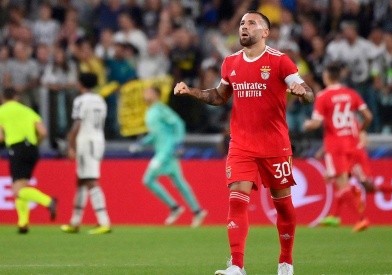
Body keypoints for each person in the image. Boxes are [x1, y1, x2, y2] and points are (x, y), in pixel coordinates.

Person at [174, 11, 314, 275]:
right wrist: (191, 91)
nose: (244, 27)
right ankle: (237, 266)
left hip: (275, 145)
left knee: (282, 205)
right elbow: (219, 96)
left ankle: (285, 262)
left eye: (251, 23)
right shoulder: (230, 63)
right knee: (237, 199)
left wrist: (302, 92)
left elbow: (307, 92)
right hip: (241, 144)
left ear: (265, 32)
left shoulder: (280, 61)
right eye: (241, 23)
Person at [303, 62, 372, 232]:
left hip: (335, 145)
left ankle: (361, 219)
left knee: (342, 184)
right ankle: (335, 215)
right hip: (351, 143)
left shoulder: (323, 96)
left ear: (327, 77)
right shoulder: (351, 94)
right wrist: (361, 131)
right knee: (336, 180)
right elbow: (368, 116)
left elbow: (317, 123)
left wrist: (307, 125)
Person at [129, 86, 207, 227]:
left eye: (148, 91)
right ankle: (197, 211)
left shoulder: (160, 109)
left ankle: (175, 207)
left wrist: (178, 144)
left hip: (166, 151)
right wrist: (141, 143)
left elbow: (178, 123)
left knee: (148, 179)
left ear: (156, 94)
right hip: (164, 151)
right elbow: (155, 134)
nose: (145, 94)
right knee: (179, 182)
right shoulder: (150, 112)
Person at [0, 87, 57, 234]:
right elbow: (43, 132)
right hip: (32, 149)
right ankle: (23, 223)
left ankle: (48, 201)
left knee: (17, 190)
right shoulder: (27, 110)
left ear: (3, 98)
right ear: (16, 97)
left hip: (17, 149)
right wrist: (35, 143)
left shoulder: (2, 111)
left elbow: (0, 137)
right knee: (22, 185)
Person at [60, 73, 111, 235]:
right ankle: (75, 222)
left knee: (90, 180)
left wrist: (71, 145)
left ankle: (104, 222)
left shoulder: (81, 100)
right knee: (81, 180)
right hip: (98, 140)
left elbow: (77, 124)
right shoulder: (100, 100)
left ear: (80, 84)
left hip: (85, 141)